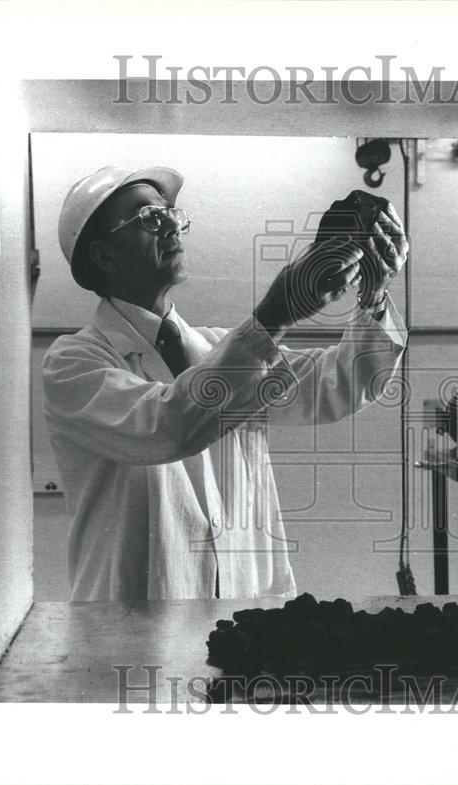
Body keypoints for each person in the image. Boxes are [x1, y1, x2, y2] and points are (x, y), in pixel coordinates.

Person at [42, 166, 408, 600]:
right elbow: (168, 425)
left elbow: (337, 385)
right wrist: (276, 313)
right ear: (104, 256)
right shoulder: (73, 364)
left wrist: (374, 292)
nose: (173, 226)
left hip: (245, 613)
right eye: (150, 219)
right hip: (132, 630)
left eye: (173, 214)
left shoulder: (217, 348)